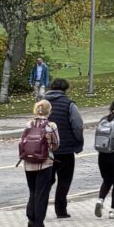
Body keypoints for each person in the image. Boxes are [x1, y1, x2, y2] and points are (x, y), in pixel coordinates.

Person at [18, 96, 58, 227]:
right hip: (44, 163)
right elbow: (56, 144)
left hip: (28, 162)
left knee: (33, 191)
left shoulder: (28, 124)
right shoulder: (50, 126)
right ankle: (39, 224)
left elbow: (22, 141)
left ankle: (31, 219)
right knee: (42, 192)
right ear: (49, 111)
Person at [46, 77, 84, 217]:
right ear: (65, 89)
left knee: (46, 182)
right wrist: (78, 142)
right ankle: (61, 210)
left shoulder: (42, 104)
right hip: (65, 149)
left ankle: (39, 209)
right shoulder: (69, 105)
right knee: (64, 181)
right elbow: (77, 126)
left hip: (46, 150)